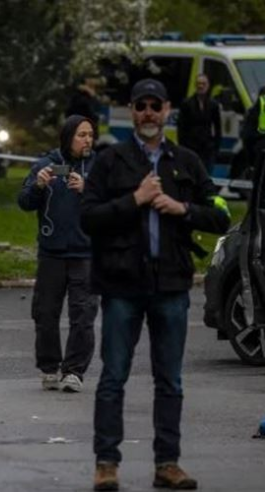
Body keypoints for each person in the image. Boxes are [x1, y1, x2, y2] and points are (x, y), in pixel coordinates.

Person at [81, 79, 230, 491]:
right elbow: (88, 218)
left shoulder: (186, 161)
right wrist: (136, 200)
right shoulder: (111, 161)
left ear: (167, 111)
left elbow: (220, 214)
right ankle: (106, 464)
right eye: (141, 106)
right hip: (121, 285)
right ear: (132, 111)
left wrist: (183, 208)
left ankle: (168, 463)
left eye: (155, 106)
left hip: (170, 285)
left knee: (170, 381)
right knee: (113, 378)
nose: (148, 113)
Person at [18, 115, 98, 394]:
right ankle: (50, 367)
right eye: (82, 135)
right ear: (67, 138)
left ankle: (74, 371)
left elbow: (116, 201)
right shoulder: (46, 165)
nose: (88, 140)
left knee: (83, 314)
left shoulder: (99, 166)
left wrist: (89, 190)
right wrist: (38, 185)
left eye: (90, 134)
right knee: (45, 313)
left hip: (86, 253)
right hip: (52, 253)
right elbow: (24, 202)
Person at [177, 74, 222, 174]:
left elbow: (218, 127)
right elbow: (181, 127)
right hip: (191, 146)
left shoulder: (213, 105)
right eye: (198, 84)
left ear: (208, 86)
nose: (200, 86)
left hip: (207, 148)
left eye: (203, 84)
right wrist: (183, 146)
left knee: (206, 174)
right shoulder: (187, 103)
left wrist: (216, 147)